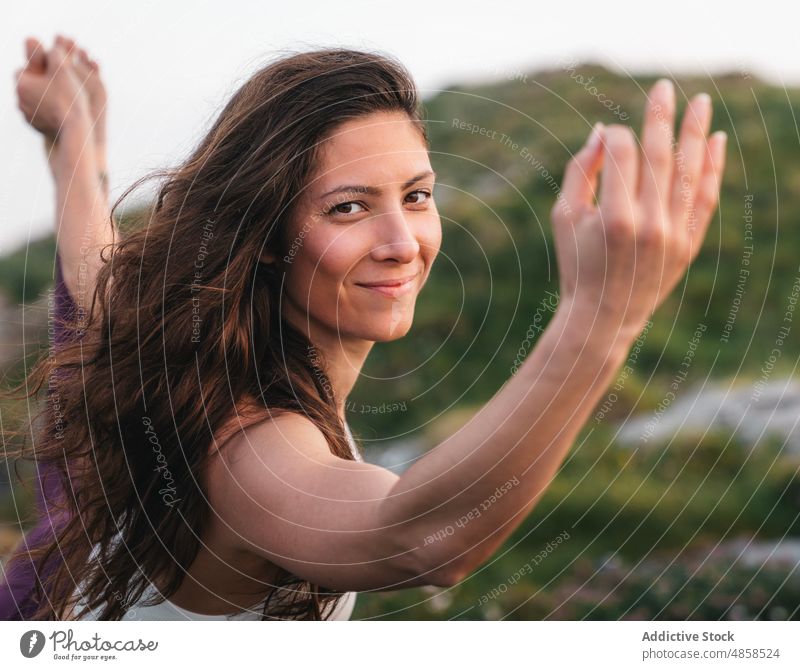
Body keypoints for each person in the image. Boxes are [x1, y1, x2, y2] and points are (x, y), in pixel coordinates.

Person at [1, 34, 727, 621]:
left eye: (417, 196)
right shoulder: (245, 443)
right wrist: (600, 320)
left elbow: (89, 287)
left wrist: (74, 140)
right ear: (262, 234)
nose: (402, 241)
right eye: (348, 207)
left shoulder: (165, 354)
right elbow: (417, 542)